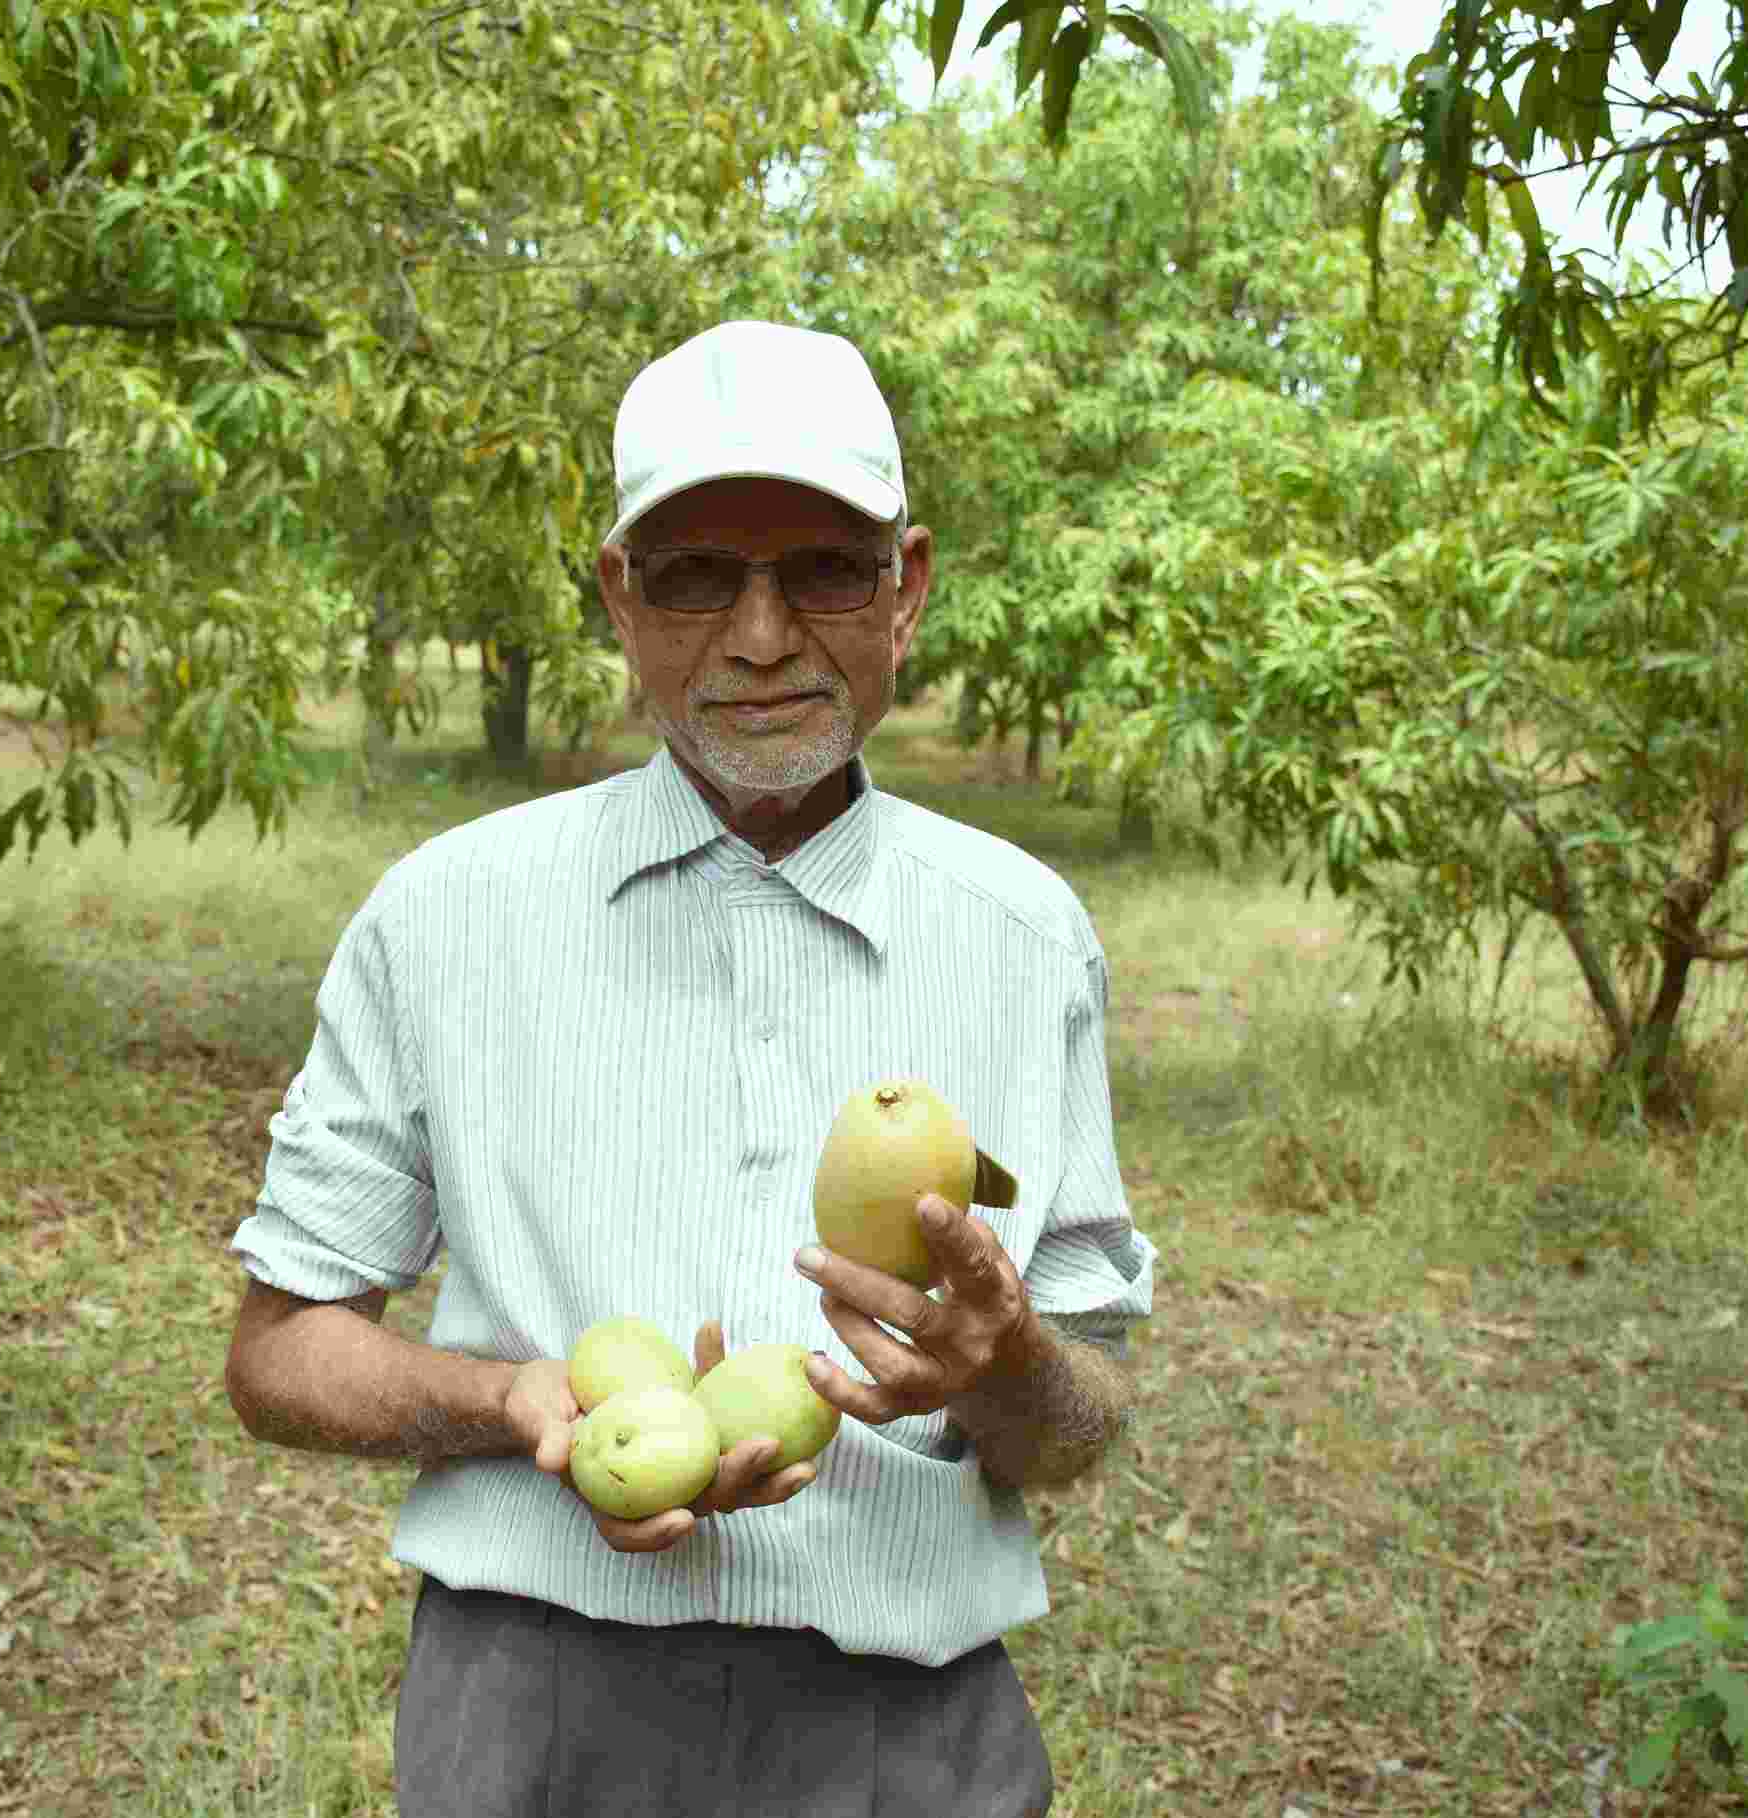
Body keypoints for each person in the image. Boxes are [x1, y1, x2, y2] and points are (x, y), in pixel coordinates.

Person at [221, 319, 1158, 1818]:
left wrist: (1014, 1366)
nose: (764, 635)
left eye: (826, 570)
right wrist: (508, 1399)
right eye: (696, 574)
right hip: (530, 1725)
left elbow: (1086, 1419)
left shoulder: (1024, 938)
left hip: (907, 1745)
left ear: (905, 587)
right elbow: (275, 1350)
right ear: (619, 596)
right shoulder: (447, 915)